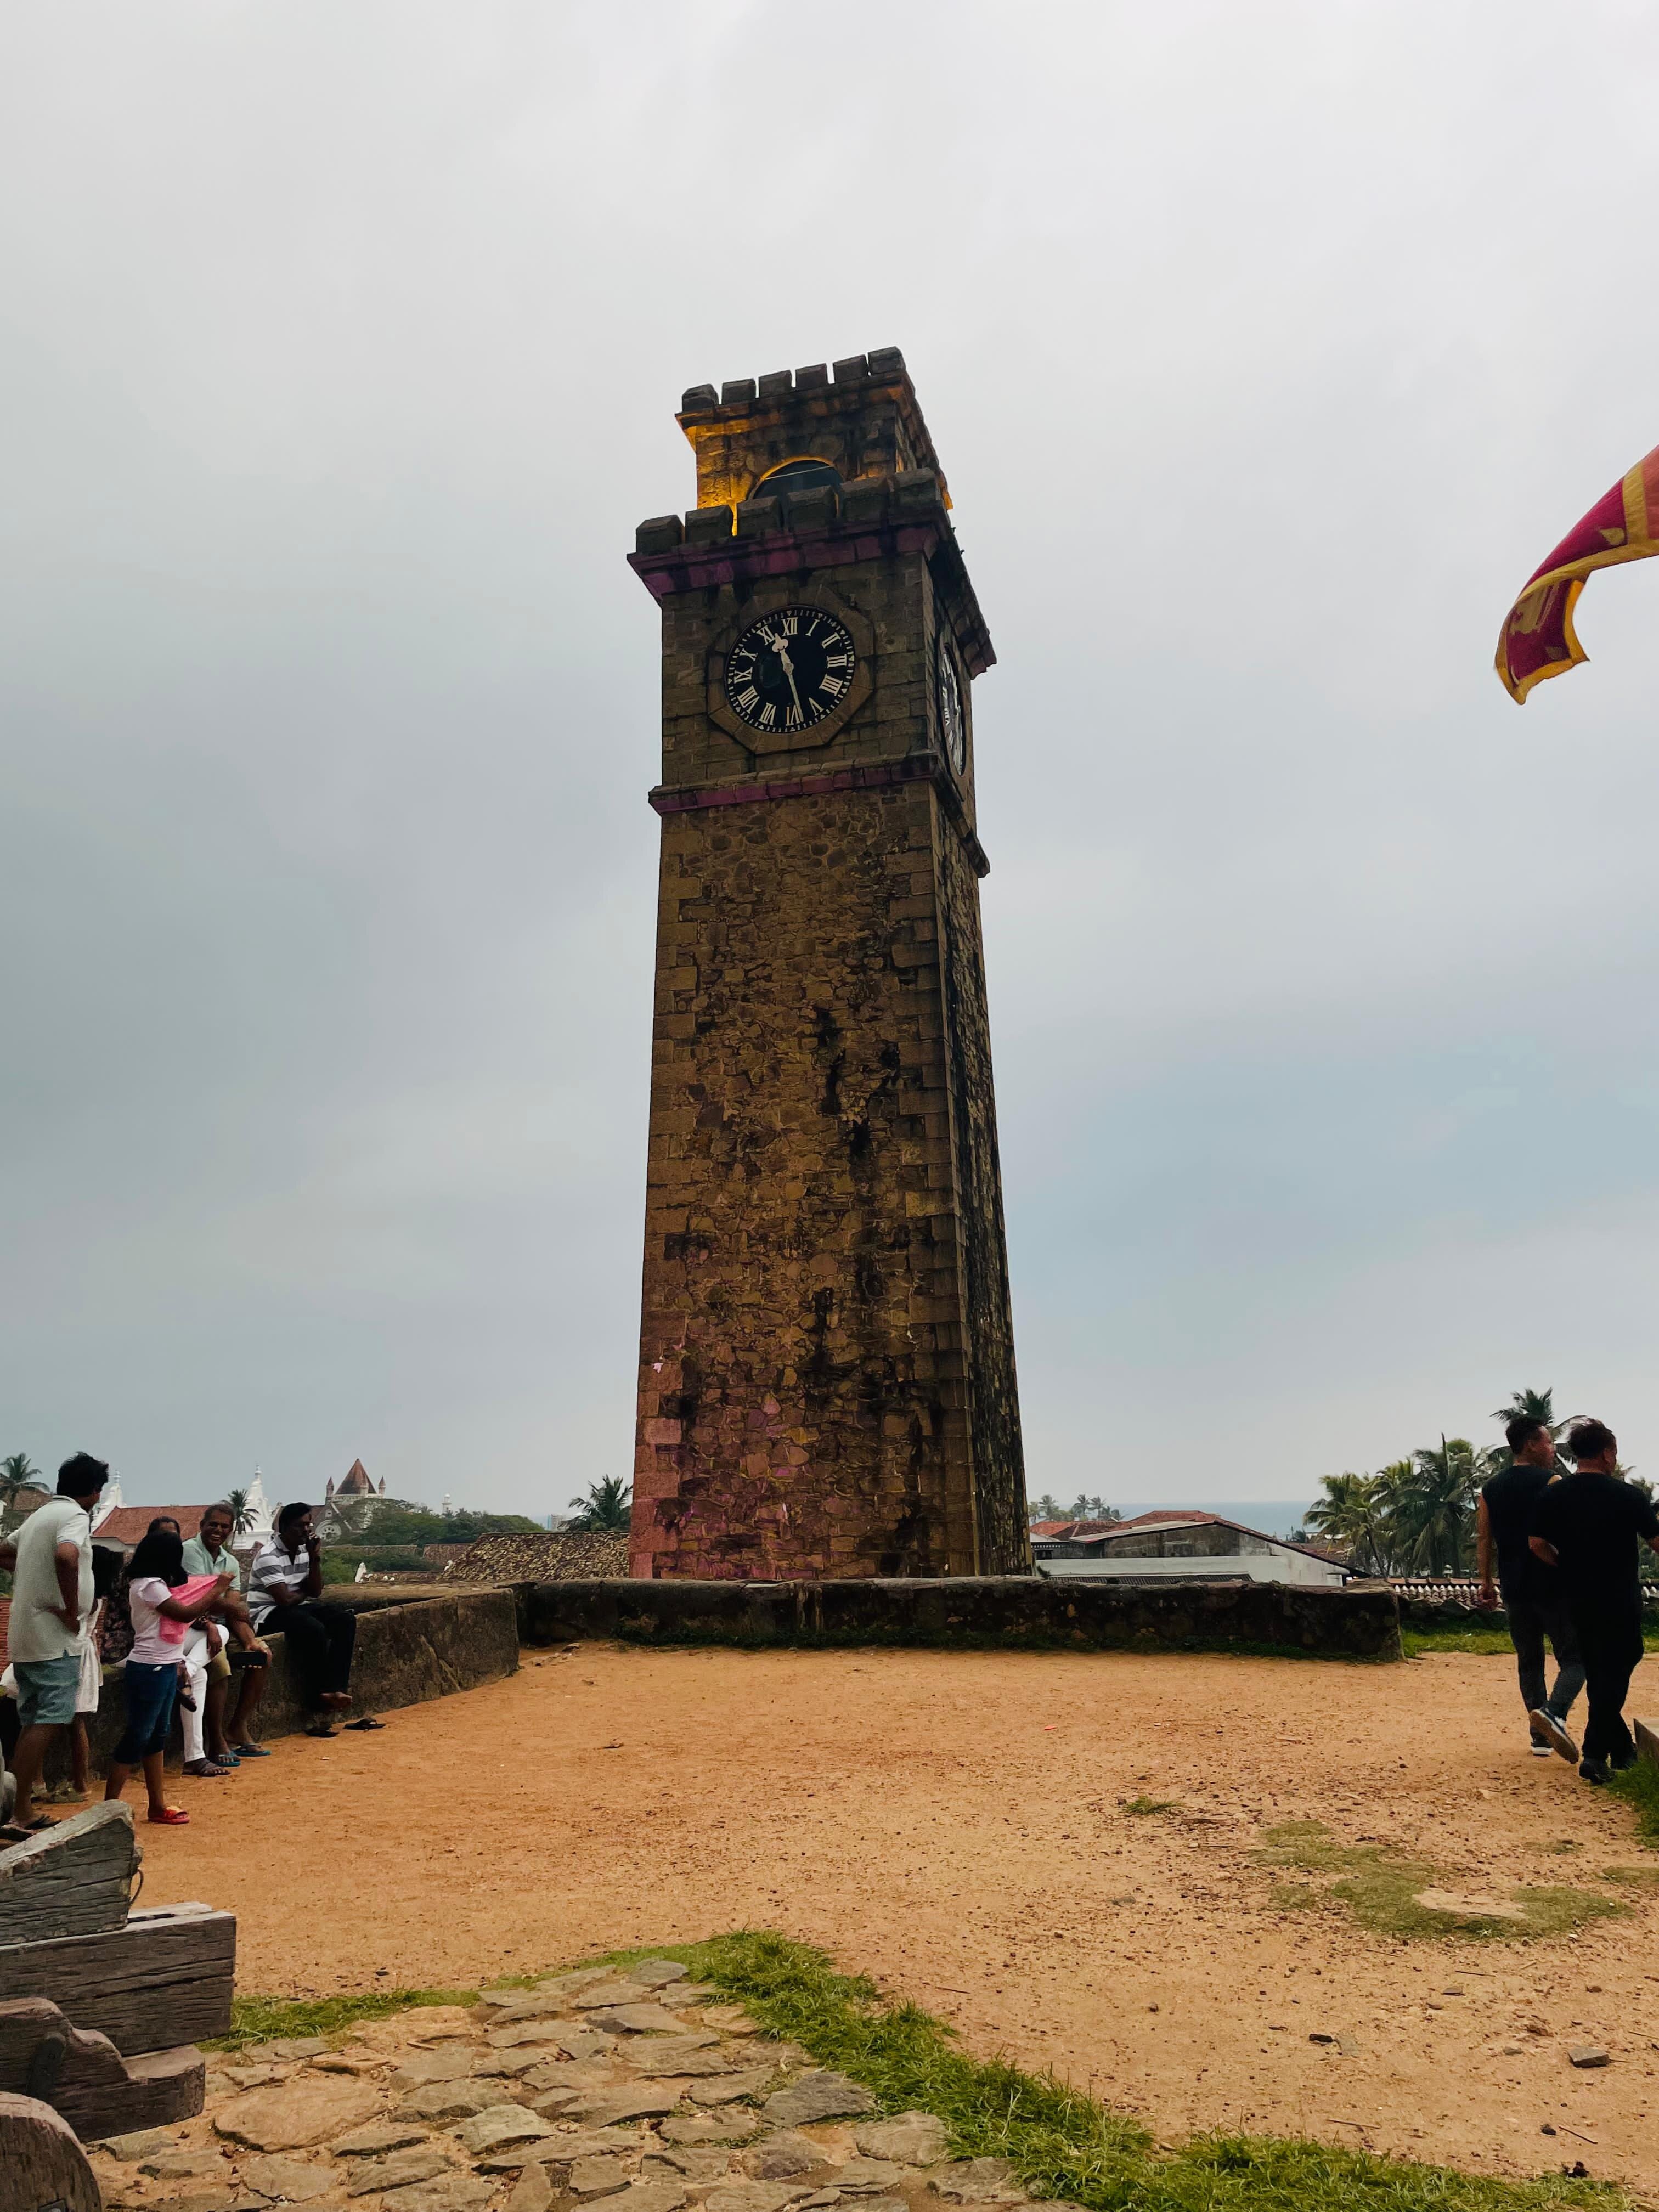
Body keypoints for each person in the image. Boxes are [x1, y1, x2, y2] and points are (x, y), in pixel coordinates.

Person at [1531, 1418, 1659, 1785]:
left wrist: (1566, 1567)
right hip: (1619, 1597)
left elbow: (1536, 1544)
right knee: (1619, 1666)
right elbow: (1656, 1542)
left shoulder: (1553, 1494)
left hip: (1576, 1598)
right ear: (1607, 1453)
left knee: (1599, 1669)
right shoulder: (1628, 1496)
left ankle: (1621, 1751)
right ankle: (1593, 1754)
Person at [0, 1453, 109, 1835]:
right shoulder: (74, 1517)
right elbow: (67, 1555)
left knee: (32, 1718)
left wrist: (31, 1572)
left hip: (26, 1633)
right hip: (54, 1638)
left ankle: (22, 1810)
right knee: (50, 1717)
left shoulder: (39, 1517)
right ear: (95, 1492)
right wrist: (68, 1608)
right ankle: (12, 1809)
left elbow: (3, 1550)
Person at [103, 1528, 234, 1825]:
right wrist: (217, 1588)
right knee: (139, 1736)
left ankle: (156, 1804)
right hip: (151, 1668)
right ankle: (109, 1807)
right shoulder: (151, 1587)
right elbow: (184, 1614)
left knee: (155, 1737)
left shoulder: (149, 1583)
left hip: (161, 1666)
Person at [1477, 1415, 1584, 1761]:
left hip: (1514, 1585)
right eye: (1548, 1442)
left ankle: (1539, 1736)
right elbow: (1567, 1534)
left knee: (1529, 1659)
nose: (1554, 1449)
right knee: (1574, 1657)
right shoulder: (1553, 1482)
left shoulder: (1491, 1488)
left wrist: (1486, 1581)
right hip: (1552, 1584)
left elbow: (1484, 1538)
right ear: (1530, 1445)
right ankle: (1554, 1714)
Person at [246, 1502, 364, 1736]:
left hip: (296, 1607)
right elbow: (283, 1600)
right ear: (284, 1528)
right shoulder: (269, 1556)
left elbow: (317, 1590)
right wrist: (304, 1592)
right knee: (314, 1630)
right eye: (300, 1526)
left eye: (308, 1525)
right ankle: (318, 1697)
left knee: (345, 1621)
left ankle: (335, 1689)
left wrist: (314, 1557)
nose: (306, 1530)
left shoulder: (303, 1551)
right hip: (267, 1613)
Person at [182, 1503, 273, 1768]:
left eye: (224, 1527)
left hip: (222, 1625)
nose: (218, 1530)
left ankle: (238, 1727)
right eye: (214, 1525)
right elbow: (201, 1599)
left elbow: (230, 1608)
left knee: (261, 1656)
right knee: (219, 1667)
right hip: (195, 1623)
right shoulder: (190, 1551)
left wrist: (249, 1641)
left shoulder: (229, 1560)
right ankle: (216, 1739)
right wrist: (232, 1605)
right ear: (202, 1526)